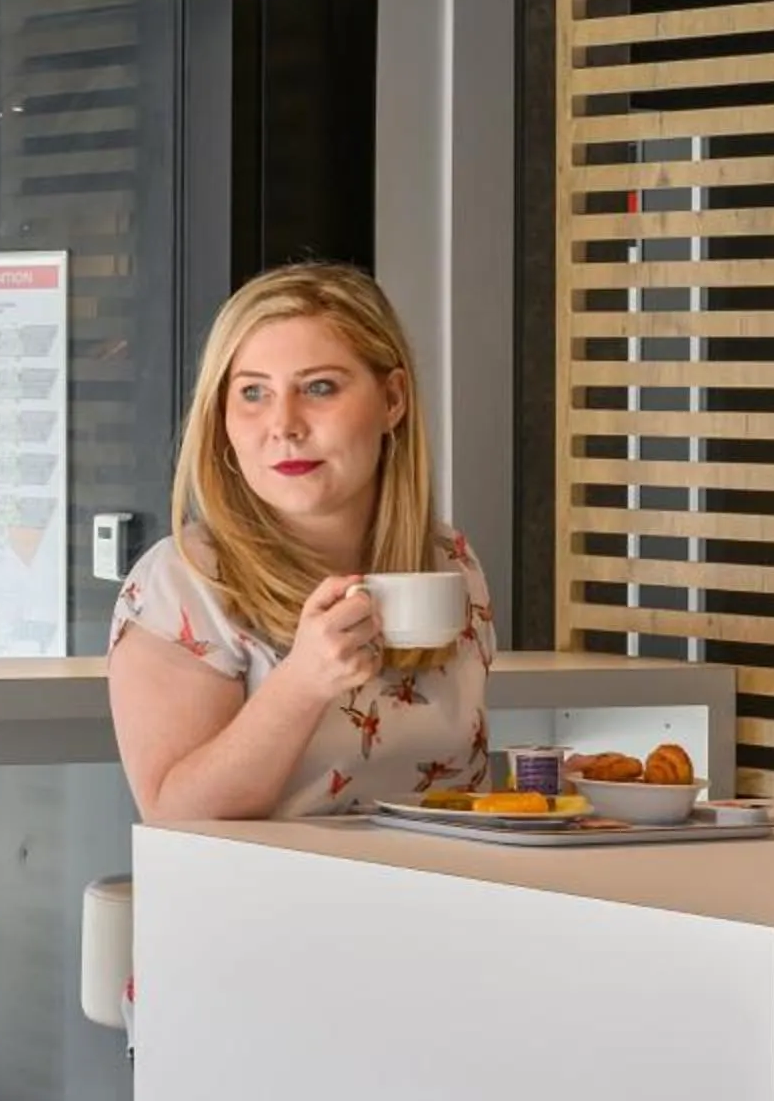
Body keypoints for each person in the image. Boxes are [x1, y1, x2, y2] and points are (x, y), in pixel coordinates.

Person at [107, 262, 494, 819]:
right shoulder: (181, 583)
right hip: (265, 904)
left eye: (319, 388)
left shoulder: (451, 561)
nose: (284, 424)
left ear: (393, 400)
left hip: (442, 896)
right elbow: (176, 816)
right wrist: (304, 681)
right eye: (253, 393)